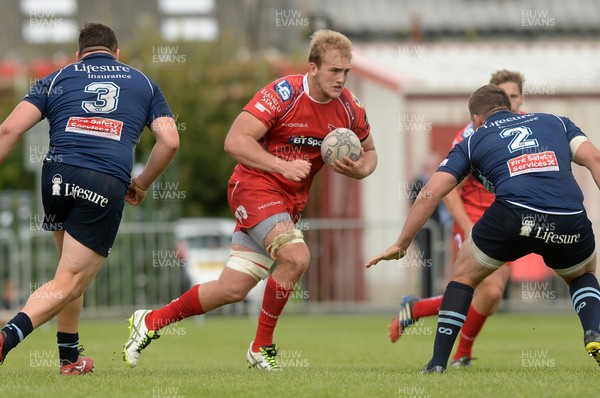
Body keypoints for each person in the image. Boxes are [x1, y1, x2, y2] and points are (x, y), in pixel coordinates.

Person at [123, 29, 378, 370]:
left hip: (287, 204)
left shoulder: (349, 108)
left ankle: (151, 321)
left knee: (232, 289)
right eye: (335, 70)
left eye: (346, 71)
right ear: (313, 68)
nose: (342, 78)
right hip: (255, 188)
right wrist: (280, 166)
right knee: (297, 256)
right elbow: (234, 141)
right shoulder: (283, 94)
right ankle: (262, 346)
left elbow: (371, 151)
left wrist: (361, 169)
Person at [367, 84, 600, 373]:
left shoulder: (472, 139)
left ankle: (438, 362)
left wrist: (402, 243)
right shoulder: (556, 122)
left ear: (476, 118)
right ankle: (594, 333)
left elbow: (430, 192)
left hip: (511, 216)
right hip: (568, 215)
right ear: (509, 104)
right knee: (582, 274)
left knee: (463, 279)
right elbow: (595, 159)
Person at [0, 22, 179, 375]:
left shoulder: (56, 77)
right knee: (70, 280)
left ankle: (70, 360)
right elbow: (170, 141)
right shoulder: (143, 83)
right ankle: (7, 337)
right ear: (117, 54)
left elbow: (9, 129)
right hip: (103, 178)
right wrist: (141, 182)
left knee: (65, 274)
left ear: (78, 55)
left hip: (56, 175)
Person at [390, 70, 536, 368]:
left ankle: (417, 309)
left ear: (521, 99)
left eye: (516, 97)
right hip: (472, 218)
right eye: (506, 97)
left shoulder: (530, 129)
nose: (512, 102)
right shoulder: (472, 135)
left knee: (491, 298)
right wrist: (469, 226)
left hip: (506, 219)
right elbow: (449, 188)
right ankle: (460, 355)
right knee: (490, 288)